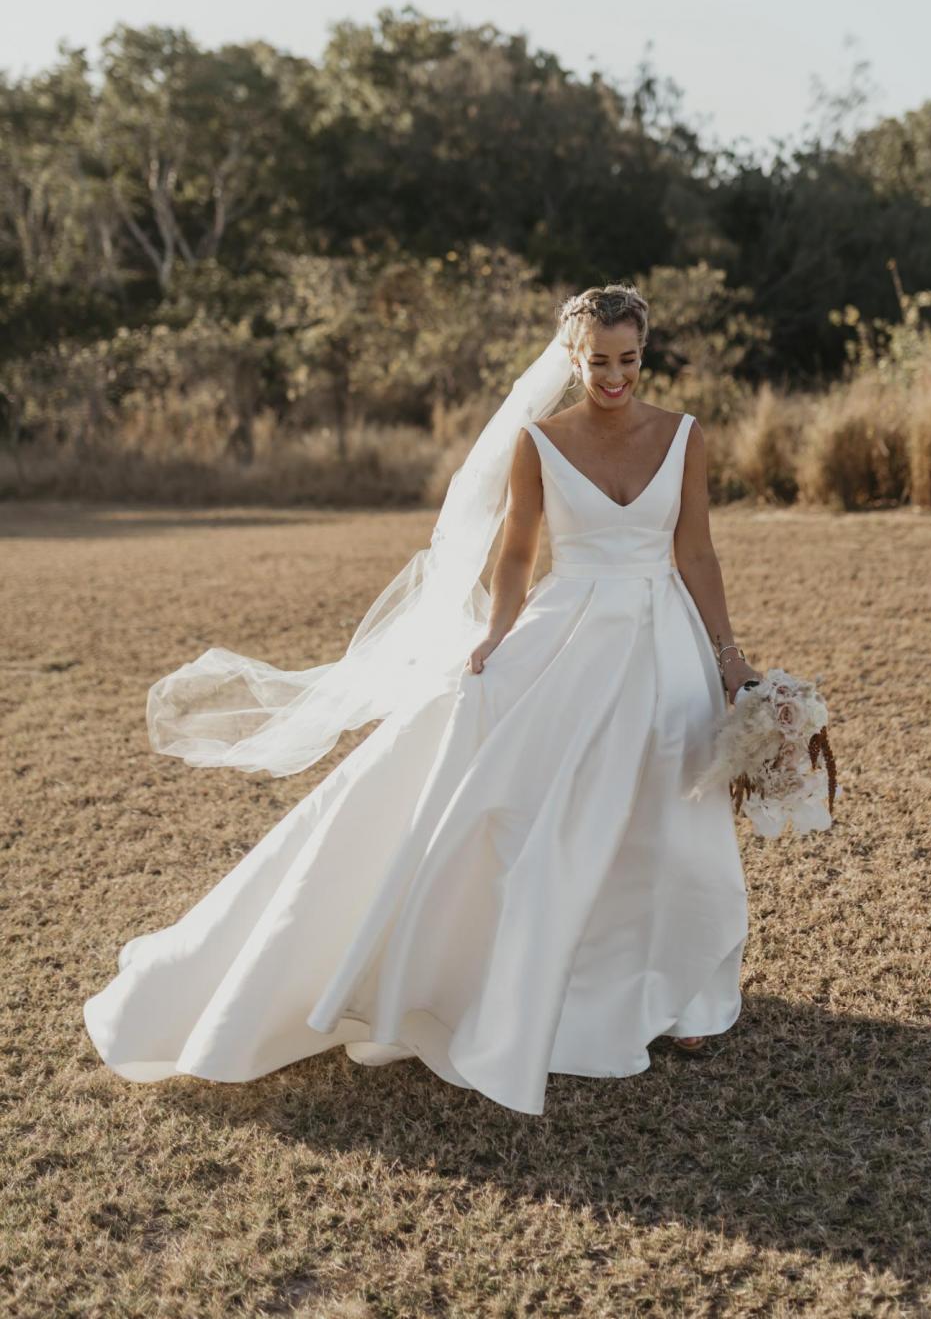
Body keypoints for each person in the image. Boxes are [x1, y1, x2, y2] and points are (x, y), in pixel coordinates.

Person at [83, 282, 760, 1117]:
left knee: (667, 814)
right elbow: (516, 556)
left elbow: (696, 552)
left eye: (627, 359)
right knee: (541, 818)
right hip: (567, 638)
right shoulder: (538, 442)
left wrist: (729, 658)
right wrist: (497, 635)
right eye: (597, 362)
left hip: (663, 645)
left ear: (643, 353)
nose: (613, 375)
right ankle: (540, 985)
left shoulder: (684, 437)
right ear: (572, 358)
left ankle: (682, 998)